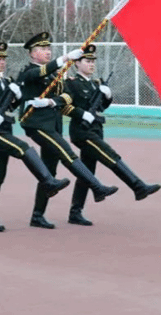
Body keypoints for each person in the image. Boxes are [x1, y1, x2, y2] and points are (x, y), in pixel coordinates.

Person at [0, 42, 71, 232]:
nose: (2, 62)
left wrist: (17, 96)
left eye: (4, 59)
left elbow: (11, 106)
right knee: (24, 148)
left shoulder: (6, 82)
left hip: (5, 130)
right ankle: (48, 180)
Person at [17, 32, 118, 229]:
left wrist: (51, 101)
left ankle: (37, 215)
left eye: (48, 48)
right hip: (36, 124)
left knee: (49, 171)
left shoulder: (54, 75)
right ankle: (97, 187)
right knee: (67, 153)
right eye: (42, 49)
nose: (47, 52)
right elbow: (39, 73)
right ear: (32, 53)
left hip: (53, 124)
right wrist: (64, 58)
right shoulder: (28, 72)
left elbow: (67, 96)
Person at [64, 45, 161, 226]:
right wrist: (81, 114)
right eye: (87, 61)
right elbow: (64, 106)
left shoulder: (95, 84)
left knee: (87, 172)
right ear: (77, 63)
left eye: (93, 61)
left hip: (95, 129)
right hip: (82, 132)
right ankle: (138, 186)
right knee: (110, 155)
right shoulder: (71, 83)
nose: (91, 64)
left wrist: (107, 96)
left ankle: (75, 212)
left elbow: (101, 107)